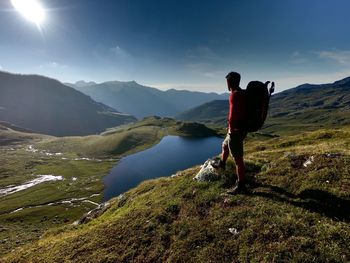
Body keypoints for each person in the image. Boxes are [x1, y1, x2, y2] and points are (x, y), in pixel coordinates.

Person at [213, 71, 248, 194]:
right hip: (235, 130)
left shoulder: (235, 95)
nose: (226, 84)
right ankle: (222, 164)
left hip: (235, 132)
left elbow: (233, 116)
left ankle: (241, 186)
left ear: (230, 82)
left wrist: (232, 129)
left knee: (238, 160)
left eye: (227, 81)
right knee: (224, 145)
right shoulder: (242, 93)